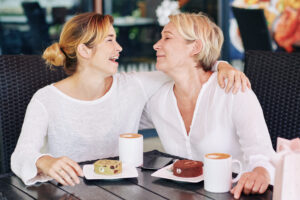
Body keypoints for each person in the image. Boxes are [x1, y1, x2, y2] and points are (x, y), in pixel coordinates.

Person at [11, 12, 249, 187]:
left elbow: (189, 68)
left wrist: (221, 66)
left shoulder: (133, 85)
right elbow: (21, 155)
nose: (119, 47)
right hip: (70, 192)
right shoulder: (46, 100)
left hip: (123, 191)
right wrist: (44, 161)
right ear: (85, 51)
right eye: (110, 40)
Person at [141, 13, 276, 199]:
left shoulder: (232, 89)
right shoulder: (158, 101)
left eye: (167, 37)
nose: (156, 45)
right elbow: (121, 121)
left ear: (195, 47)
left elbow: (263, 156)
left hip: (238, 194)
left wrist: (260, 173)